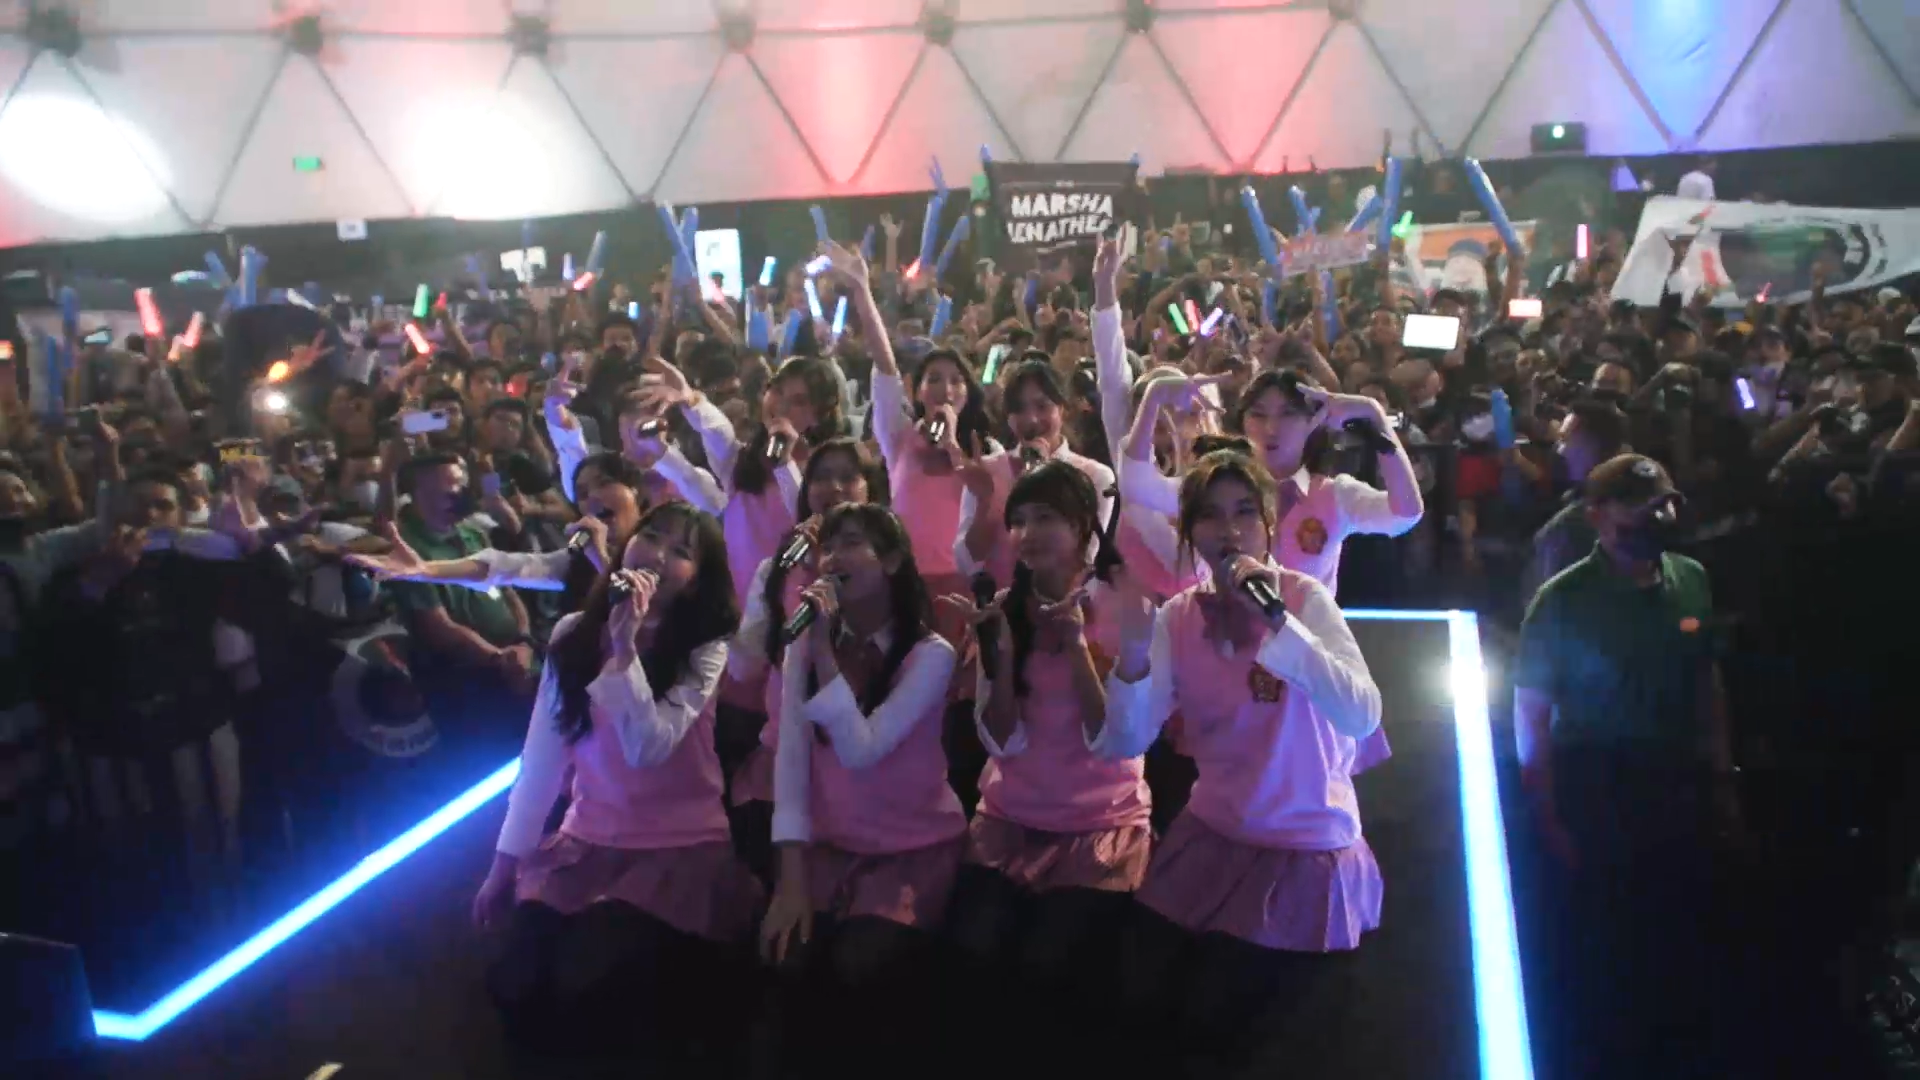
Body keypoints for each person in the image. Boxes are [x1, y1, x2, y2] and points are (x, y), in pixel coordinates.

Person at [1095, 450, 1383, 1075]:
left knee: (1226, 1020)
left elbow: (1363, 713)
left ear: (1268, 524)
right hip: (1215, 830)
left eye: (1245, 512)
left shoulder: (1303, 598)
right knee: (1136, 995)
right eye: (1210, 515)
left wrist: (1277, 621)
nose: (1228, 531)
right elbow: (1125, 742)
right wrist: (1134, 657)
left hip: (1305, 839)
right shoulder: (1178, 616)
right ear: (1189, 530)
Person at [474, 502, 757, 1069]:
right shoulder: (574, 633)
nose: (659, 555)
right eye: (652, 536)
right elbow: (542, 760)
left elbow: (647, 748)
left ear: (698, 579)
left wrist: (626, 651)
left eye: (682, 552)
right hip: (588, 839)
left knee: (590, 978)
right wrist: (504, 864)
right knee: (514, 978)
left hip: (677, 847)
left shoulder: (706, 645)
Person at [1513, 453, 1745, 1079]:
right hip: (1599, 784)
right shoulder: (1561, 601)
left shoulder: (1690, 577)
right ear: (1596, 516)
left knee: (1676, 928)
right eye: (1638, 508)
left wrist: (1721, 773)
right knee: (1606, 940)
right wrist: (1547, 815)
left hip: (1676, 776)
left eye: (1664, 502)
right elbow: (1531, 714)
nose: (1657, 517)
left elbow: (1705, 676)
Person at [936, 462, 1151, 1060]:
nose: (1027, 533)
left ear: (1084, 526)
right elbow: (1000, 740)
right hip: (1011, 817)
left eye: (1046, 517)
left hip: (1099, 823)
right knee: (971, 951)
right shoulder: (1003, 610)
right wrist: (999, 659)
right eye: (1020, 520)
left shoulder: (1125, 610)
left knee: (1048, 968)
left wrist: (1077, 644)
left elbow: (1118, 740)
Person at [756, 503, 964, 1073]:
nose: (832, 558)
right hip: (830, 847)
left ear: (892, 561)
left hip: (908, 848)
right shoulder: (803, 645)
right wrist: (790, 881)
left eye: (851, 543)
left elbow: (861, 750)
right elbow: (791, 762)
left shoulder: (931, 654)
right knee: (785, 955)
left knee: (858, 964)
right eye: (827, 547)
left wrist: (824, 652)